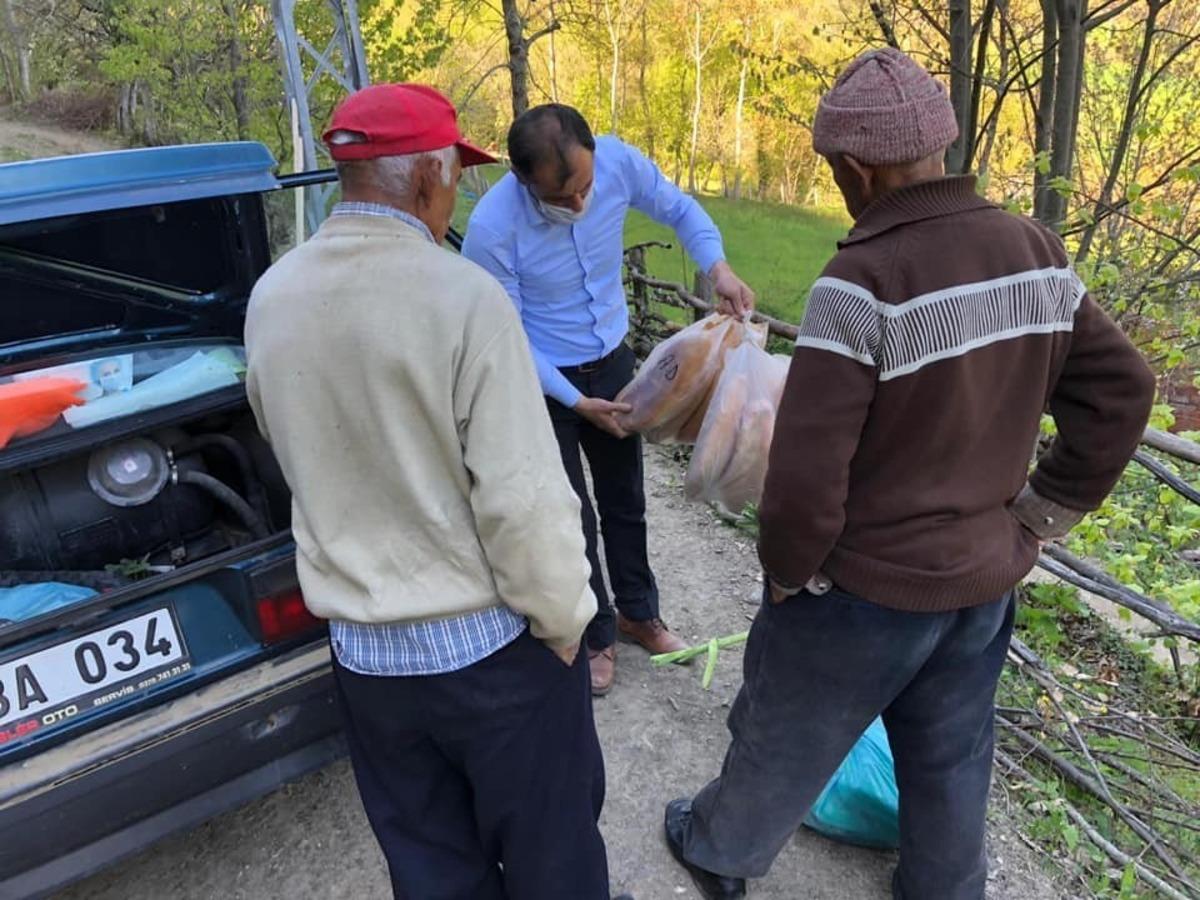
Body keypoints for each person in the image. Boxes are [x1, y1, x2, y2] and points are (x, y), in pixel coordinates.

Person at [664, 48, 1156, 900]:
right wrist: (1040, 514)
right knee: (952, 752)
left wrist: (788, 571)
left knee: (786, 731)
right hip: (981, 580)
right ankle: (943, 888)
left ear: (856, 168)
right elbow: (1124, 388)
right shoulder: (1034, 250)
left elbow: (808, 475)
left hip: (863, 592)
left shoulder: (860, 283)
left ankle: (718, 852)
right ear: (944, 141)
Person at [244, 84, 618, 900]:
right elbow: (523, 499)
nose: (456, 195)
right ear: (426, 178)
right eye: (455, 177)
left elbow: (283, 443)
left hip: (369, 663)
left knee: (431, 867)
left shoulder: (271, 300)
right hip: (491, 657)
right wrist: (565, 623)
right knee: (554, 860)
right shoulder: (463, 298)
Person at [462, 104, 756, 695]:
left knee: (626, 498)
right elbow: (508, 334)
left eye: (586, 189)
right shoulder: (493, 229)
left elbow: (680, 209)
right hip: (545, 379)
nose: (578, 205)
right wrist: (574, 400)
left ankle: (638, 613)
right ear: (524, 182)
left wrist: (717, 267)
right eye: (560, 197)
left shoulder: (619, 161)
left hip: (616, 361)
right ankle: (593, 633)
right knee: (568, 514)